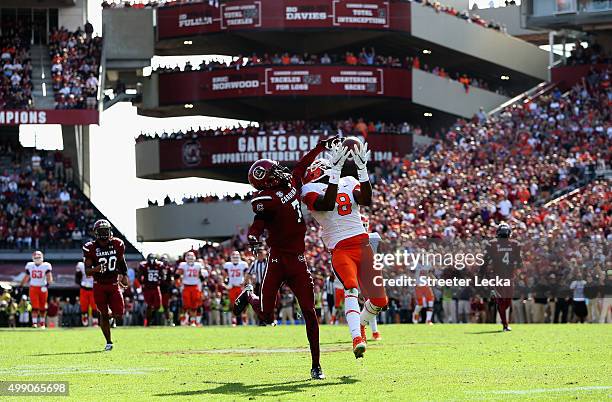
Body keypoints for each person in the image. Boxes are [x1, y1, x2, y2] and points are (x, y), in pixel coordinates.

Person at [233, 135, 339, 380]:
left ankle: (316, 365)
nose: (279, 172)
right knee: (267, 316)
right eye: (273, 172)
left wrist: (319, 147)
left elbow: (302, 164)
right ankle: (250, 294)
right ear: (267, 181)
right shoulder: (266, 200)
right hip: (278, 261)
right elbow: (258, 223)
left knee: (310, 312)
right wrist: (253, 237)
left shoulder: (291, 181)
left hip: (298, 260)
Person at [301, 138, 388, 358]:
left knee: (380, 300)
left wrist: (362, 170)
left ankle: (360, 325)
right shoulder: (308, 189)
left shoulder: (349, 180)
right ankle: (356, 338)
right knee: (350, 288)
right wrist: (335, 172)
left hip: (363, 243)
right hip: (340, 248)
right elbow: (327, 204)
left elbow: (366, 200)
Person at [83, 219, 129, 351]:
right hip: (99, 285)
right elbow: (87, 271)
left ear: (110, 232)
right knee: (103, 313)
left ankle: (110, 316)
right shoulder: (90, 247)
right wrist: (96, 269)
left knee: (119, 313)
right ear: (96, 233)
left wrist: (124, 275)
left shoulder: (117, 244)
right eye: (101, 231)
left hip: (114, 284)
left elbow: (121, 260)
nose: (104, 233)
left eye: (106, 230)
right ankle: (109, 341)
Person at [480, 222, 522, 332]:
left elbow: (518, 259)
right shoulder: (512, 244)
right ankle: (505, 325)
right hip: (499, 276)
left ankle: (505, 323)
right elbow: (519, 261)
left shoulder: (495, 244)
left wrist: (481, 274)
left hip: (506, 276)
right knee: (502, 301)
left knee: (505, 302)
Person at [20, 251, 53, 328]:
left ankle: (42, 323)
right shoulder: (30, 265)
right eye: (36, 258)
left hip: (42, 287)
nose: (37, 259)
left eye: (39, 257)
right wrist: (21, 285)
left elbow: (49, 277)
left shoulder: (46, 265)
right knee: (35, 306)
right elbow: (27, 277)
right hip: (33, 287)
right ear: (33, 258)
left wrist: (47, 285)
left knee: (43, 307)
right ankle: (34, 323)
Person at [177, 251, 204, 326]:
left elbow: (201, 277)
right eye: (189, 258)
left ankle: (192, 321)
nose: (190, 260)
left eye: (191, 258)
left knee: (194, 305)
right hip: (186, 286)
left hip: (195, 287)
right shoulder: (183, 265)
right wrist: (178, 283)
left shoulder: (198, 265)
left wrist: (203, 284)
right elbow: (177, 275)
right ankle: (184, 320)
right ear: (186, 259)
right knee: (186, 305)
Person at [223, 251, 249, 326]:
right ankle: (234, 320)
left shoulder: (243, 264)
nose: (235, 258)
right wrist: (225, 283)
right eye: (233, 256)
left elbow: (246, 274)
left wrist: (245, 282)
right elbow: (224, 275)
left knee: (243, 304)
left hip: (241, 286)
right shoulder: (228, 265)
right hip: (232, 287)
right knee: (233, 304)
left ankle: (244, 319)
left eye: (236, 256)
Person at [138, 253, 164, 326]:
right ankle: (148, 321)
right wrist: (142, 283)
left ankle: (152, 318)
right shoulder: (144, 265)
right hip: (148, 288)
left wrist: (160, 280)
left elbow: (162, 276)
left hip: (156, 287)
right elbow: (139, 276)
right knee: (148, 305)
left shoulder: (159, 265)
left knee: (158, 306)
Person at [75, 259, 97, 327]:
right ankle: (85, 319)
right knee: (84, 306)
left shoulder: (96, 265)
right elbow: (77, 277)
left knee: (94, 306)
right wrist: (80, 282)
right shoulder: (81, 265)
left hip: (93, 289)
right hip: (84, 288)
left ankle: (95, 322)